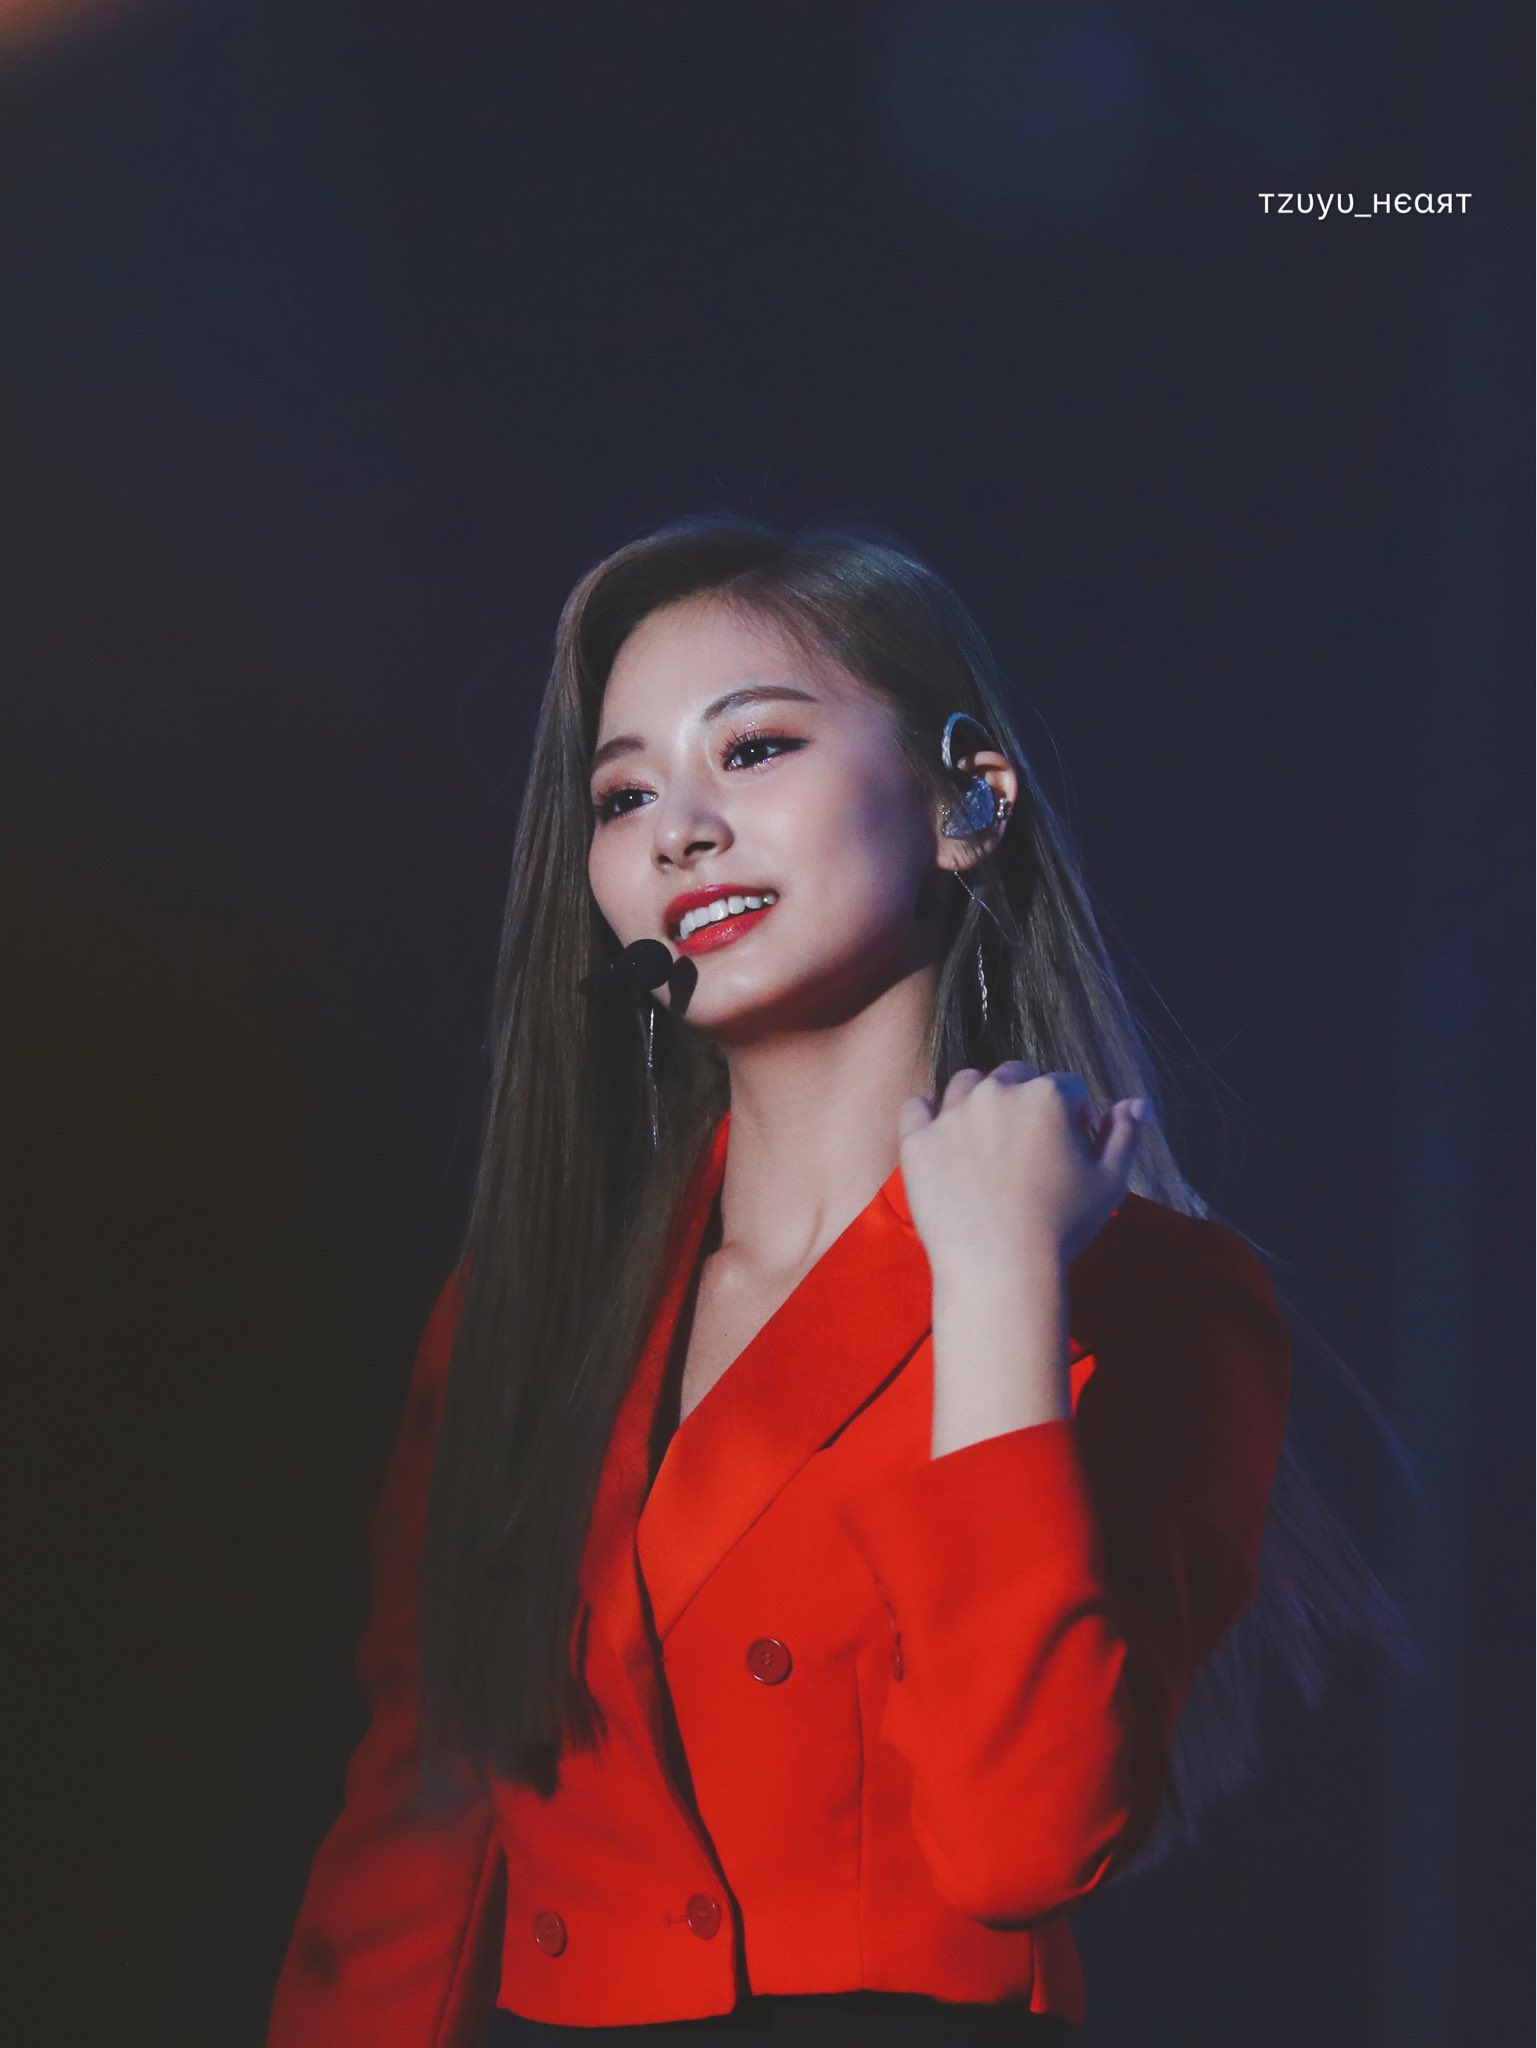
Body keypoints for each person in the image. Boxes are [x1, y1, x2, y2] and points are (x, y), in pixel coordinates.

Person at [266, 515, 1409, 2047]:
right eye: (621, 794)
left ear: (966, 800)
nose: (678, 831)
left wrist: (995, 1284)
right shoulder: (521, 1308)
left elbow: (1021, 1847)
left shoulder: (1148, 1294)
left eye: (751, 750)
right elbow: (414, 1821)